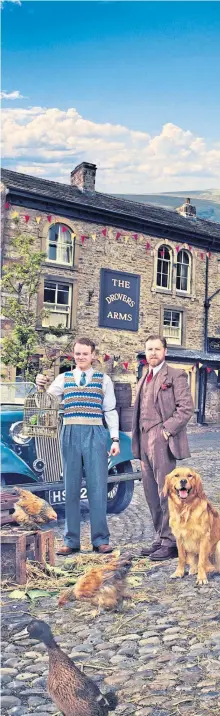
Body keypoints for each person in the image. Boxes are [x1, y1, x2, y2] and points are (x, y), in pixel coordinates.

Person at [35, 337, 120, 556]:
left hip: (95, 434)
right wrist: (40, 386)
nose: (81, 357)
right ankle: (71, 540)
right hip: (70, 433)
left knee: (98, 487)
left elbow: (110, 411)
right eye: (78, 353)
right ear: (73, 355)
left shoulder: (104, 380)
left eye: (85, 353)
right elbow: (46, 403)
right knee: (70, 488)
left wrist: (115, 439)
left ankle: (100, 539)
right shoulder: (64, 378)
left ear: (93, 355)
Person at [132, 334, 194, 561]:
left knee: (166, 491)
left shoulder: (176, 375)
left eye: (157, 349)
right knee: (150, 492)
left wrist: (166, 431)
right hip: (143, 439)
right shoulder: (144, 377)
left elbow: (186, 408)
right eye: (149, 349)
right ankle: (161, 536)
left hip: (162, 439)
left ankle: (171, 541)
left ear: (165, 351)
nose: (153, 353)